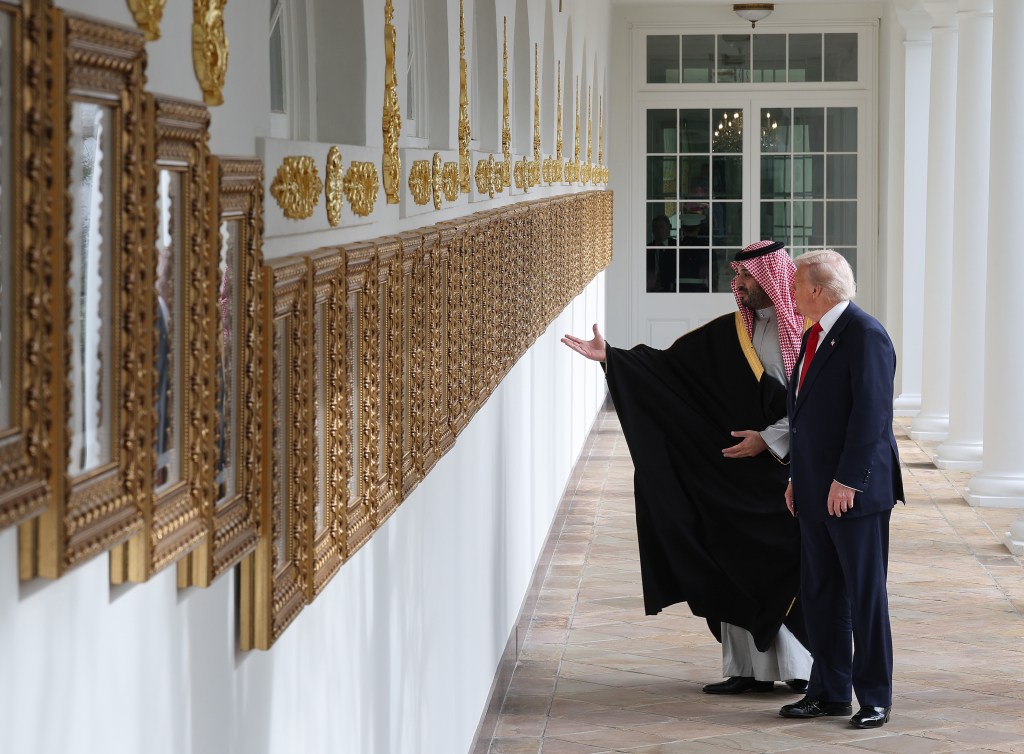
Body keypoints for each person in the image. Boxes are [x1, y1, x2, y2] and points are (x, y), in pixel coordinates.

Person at [562, 240, 811, 694]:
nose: (737, 284)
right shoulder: (732, 330)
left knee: (782, 566)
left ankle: (800, 669)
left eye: (745, 277)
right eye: (736, 277)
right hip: (731, 473)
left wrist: (769, 439)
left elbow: (815, 404)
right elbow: (673, 370)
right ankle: (747, 672)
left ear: (770, 277)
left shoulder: (807, 331)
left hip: (781, 470)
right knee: (729, 559)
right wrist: (613, 358)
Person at [778, 250, 904, 729]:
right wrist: (796, 477)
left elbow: (872, 416)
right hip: (813, 489)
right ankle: (829, 692)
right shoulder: (815, 334)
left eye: (793, 286)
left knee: (864, 596)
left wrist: (847, 480)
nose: (788, 295)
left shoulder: (865, 334)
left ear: (816, 290)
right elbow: (807, 417)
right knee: (821, 593)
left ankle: (874, 697)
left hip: (856, 492)